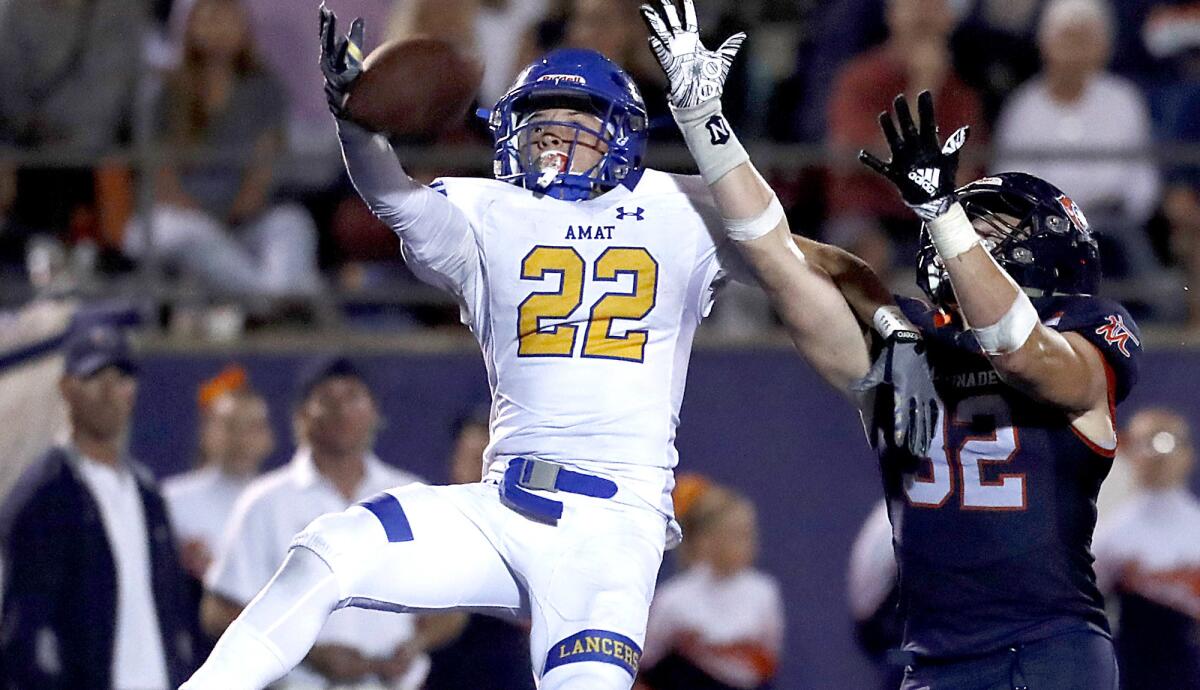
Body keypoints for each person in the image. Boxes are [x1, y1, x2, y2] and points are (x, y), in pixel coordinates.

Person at [182, 2, 874, 688]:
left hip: (610, 528)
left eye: (574, 121)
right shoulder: (487, 209)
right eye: (539, 121)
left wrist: (710, 125)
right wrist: (358, 127)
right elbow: (392, 197)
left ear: (621, 135)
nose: (553, 136)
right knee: (328, 550)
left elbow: (777, 246)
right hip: (500, 505)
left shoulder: (680, 205)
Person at [739, 84, 1142, 687]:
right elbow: (785, 258)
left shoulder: (1086, 329)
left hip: (1047, 649)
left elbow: (1021, 354)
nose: (973, 242)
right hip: (932, 659)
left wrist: (945, 213)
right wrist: (705, 134)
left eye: (993, 229)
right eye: (969, 228)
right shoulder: (909, 336)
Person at [200, 355, 456, 689]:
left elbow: (453, 606)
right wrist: (308, 653)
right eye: (327, 398)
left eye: (353, 396)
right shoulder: (266, 502)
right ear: (302, 415)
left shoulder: (409, 496)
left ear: (375, 412)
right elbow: (218, 611)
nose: (341, 410)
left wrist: (414, 646)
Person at [0, 324, 199, 688]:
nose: (109, 392)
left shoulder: (146, 492)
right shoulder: (43, 495)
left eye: (121, 377)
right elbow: (20, 629)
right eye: (94, 377)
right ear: (67, 389)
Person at [123, 0, 324, 303]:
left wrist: (231, 219)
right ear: (188, 24)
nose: (220, 26)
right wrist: (208, 222)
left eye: (229, 15)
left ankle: (274, 299)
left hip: (242, 220)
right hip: (175, 220)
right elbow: (162, 184)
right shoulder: (163, 92)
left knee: (292, 223)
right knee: (193, 234)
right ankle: (271, 304)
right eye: (210, 16)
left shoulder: (265, 90)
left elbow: (259, 180)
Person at [993, 0, 1164, 293]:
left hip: (1114, 224)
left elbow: (1143, 179)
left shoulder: (1124, 100)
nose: (1074, 49)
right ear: (1045, 43)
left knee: (1151, 287)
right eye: (1066, 36)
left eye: (1084, 38)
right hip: (1045, 227)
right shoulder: (1024, 106)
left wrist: (1126, 209)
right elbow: (1008, 181)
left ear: (1103, 46)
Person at [825, 0, 986, 276]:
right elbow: (879, 164)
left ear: (949, 20)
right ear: (891, 14)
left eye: (933, 7)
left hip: (936, 217)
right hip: (869, 214)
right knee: (864, 253)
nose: (922, 15)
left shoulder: (962, 96)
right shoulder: (859, 80)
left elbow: (963, 181)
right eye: (913, 5)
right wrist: (922, 85)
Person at [424, 409, 537, 690]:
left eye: (490, 459)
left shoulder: (533, 522)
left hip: (510, 666)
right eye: (473, 457)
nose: (481, 469)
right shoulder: (431, 518)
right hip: (442, 670)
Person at [638, 475, 784, 690]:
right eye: (735, 534)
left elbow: (768, 662)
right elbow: (646, 664)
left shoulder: (763, 593)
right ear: (706, 539)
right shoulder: (674, 598)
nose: (747, 543)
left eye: (748, 533)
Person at [1093, 408, 1200, 690]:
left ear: (1189, 455)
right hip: (1133, 671)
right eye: (1146, 443)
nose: (1157, 456)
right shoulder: (1110, 536)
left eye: (1167, 443)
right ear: (1130, 455)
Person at [164, 365, 275, 582]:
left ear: (268, 437)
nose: (241, 440)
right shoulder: (171, 501)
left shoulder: (282, 500)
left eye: (252, 427)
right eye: (230, 426)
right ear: (206, 432)